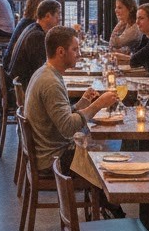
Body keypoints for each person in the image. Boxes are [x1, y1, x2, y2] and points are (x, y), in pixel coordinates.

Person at [24, 26, 119, 172]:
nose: (79, 54)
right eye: (75, 49)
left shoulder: (45, 72)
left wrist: (82, 103)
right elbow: (68, 128)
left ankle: (97, 193)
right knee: (110, 157)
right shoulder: (51, 83)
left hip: (47, 152)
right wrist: (98, 105)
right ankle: (101, 193)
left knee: (107, 145)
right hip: (53, 159)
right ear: (61, 51)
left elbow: (58, 117)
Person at [8, 0, 62, 90]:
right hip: (26, 90)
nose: (60, 18)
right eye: (58, 15)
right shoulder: (37, 36)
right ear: (48, 16)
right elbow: (41, 69)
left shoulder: (31, 27)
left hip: (20, 85)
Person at [2, 0, 46, 66]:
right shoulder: (33, 29)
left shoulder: (25, 22)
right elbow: (37, 60)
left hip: (9, 66)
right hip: (16, 72)